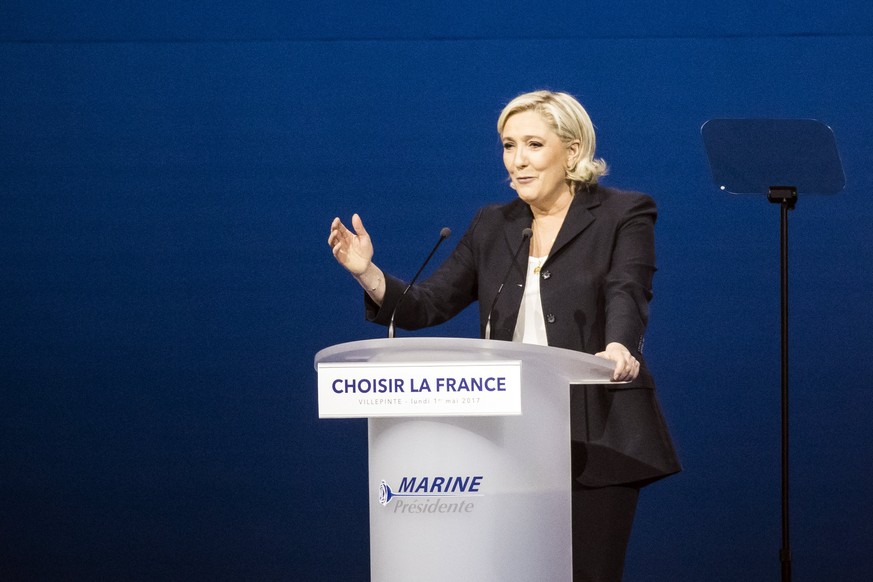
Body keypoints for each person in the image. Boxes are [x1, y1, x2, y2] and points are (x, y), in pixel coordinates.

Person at [328, 90, 680, 582]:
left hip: (597, 432)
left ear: (573, 151)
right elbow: (429, 304)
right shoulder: (493, 224)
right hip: (510, 437)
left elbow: (629, 288)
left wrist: (619, 346)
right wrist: (368, 273)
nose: (517, 161)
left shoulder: (624, 212)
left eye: (533, 145)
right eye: (508, 146)